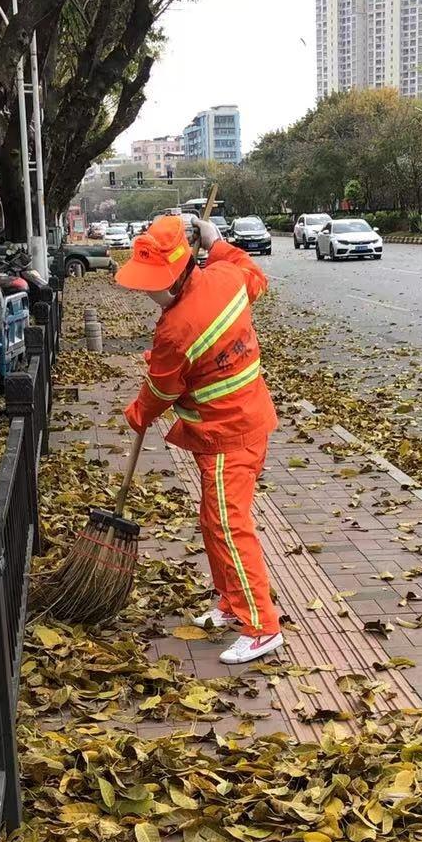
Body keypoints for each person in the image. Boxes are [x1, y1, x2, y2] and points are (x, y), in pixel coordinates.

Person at [114, 212, 282, 665]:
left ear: (177, 273)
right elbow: (254, 275)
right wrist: (218, 241)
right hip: (241, 423)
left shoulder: (177, 327)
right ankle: (230, 602)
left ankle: (262, 626)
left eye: (152, 282)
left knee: (228, 523)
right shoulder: (225, 276)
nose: (147, 291)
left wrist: (138, 413)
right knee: (214, 520)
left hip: (229, 433)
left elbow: (163, 388)